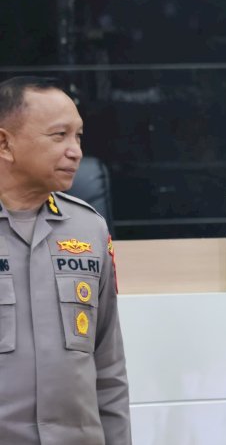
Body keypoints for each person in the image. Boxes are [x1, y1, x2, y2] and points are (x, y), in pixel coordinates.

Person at [0, 76, 131, 444]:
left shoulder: (89, 229)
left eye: (78, 136)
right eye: (59, 136)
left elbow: (108, 369)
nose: (75, 150)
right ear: (4, 143)